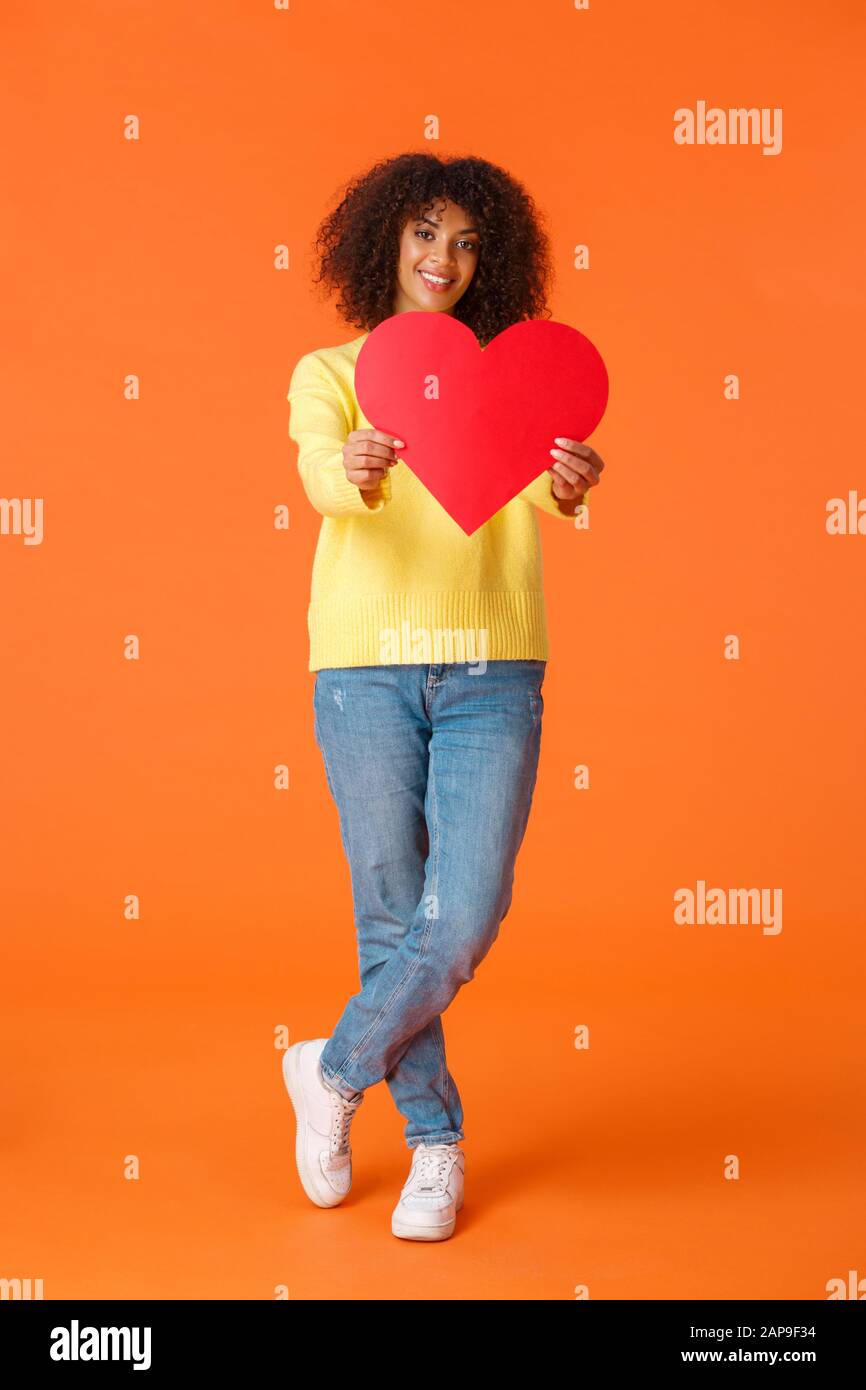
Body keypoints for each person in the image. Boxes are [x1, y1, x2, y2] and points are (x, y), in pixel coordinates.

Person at [282, 152, 606, 1241]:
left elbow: (545, 495)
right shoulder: (329, 372)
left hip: (491, 664)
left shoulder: (511, 374)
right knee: (390, 910)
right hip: (363, 666)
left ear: (492, 259)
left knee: (462, 911)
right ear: (385, 241)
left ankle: (329, 1068)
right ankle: (432, 1144)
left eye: (468, 241)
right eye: (425, 234)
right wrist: (358, 468)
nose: (444, 258)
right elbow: (321, 474)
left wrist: (568, 487)